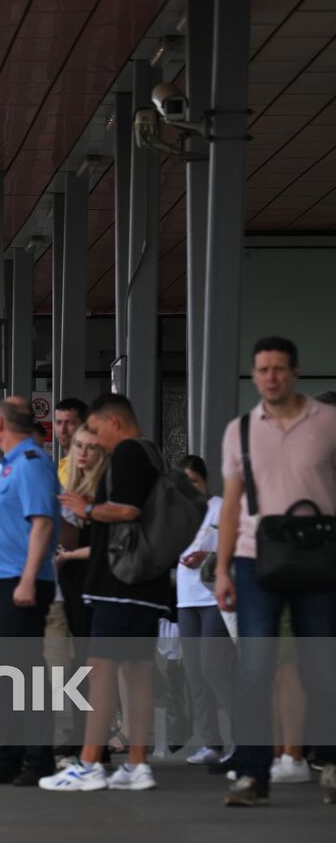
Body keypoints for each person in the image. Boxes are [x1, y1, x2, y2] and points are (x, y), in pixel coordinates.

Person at [213, 336, 336, 807]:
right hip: (254, 556)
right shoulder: (240, 430)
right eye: (262, 369)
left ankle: (328, 758)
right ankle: (251, 774)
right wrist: (222, 569)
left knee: (322, 667)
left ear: (296, 372)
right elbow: (230, 505)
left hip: (318, 554)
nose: (271, 377)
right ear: (254, 373)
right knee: (255, 668)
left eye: (279, 369)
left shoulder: (327, 423)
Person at [42, 393, 168, 793]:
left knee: (100, 671)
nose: (88, 442)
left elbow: (127, 512)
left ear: (112, 423)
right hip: (144, 582)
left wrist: (87, 508)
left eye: (93, 432)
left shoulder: (129, 453)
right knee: (137, 672)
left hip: (120, 583)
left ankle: (90, 763)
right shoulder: (151, 453)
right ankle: (136, 764)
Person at [0, 397, 60, 786]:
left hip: (20, 581)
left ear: (0, 424)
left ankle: (38, 761)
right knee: (5, 673)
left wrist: (27, 579)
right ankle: (7, 757)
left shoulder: (32, 464)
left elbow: (42, 525)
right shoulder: (10, 467)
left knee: (26, 673)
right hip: (1, 582)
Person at [51, 426, 108, 764]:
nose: (83, 453)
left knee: (93, 663)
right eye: (78, 447)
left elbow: (106, 543)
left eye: (91, 447)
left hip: (96, 582)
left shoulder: (103, 493)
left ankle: (95, 748)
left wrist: (70, 551)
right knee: (79, 663)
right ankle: (83, 740)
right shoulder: (69, 489)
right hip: (71, 581)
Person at [174, 455, 234, 768]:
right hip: (186, 598)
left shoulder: (220, 506)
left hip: (212, 596)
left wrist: (206, 553)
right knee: (195, 675)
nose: (191, 489)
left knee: (214, 668)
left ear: (205, 480)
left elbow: (233, 543)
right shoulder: (179, 512)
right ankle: (211, 743)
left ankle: (246, 739)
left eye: (194, 482)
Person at [54, 398, 90, 485]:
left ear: (85, 425)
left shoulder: (86, 466)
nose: (63, 430)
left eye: (70, 423)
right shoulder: (63, 465)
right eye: (58, 422)